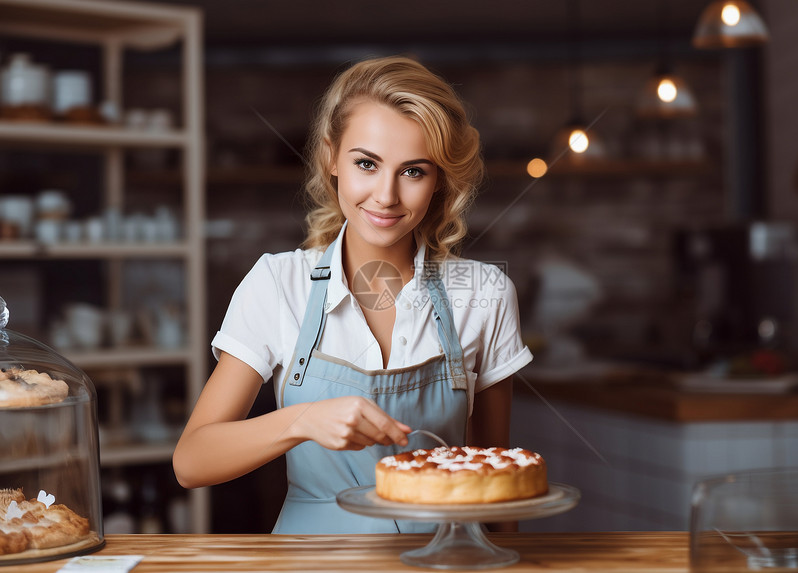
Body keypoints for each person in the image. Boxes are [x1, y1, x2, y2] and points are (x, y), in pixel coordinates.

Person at [173, 56, 533, 534]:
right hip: (312, 563)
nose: (385, 195)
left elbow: (497, 486)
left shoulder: (485, 292)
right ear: (330, 159)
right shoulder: (278, 284)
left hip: (447, 561)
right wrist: (302, 420)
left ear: (439, 180)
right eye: (367, 163)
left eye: (413, 172)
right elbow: (192, 461)